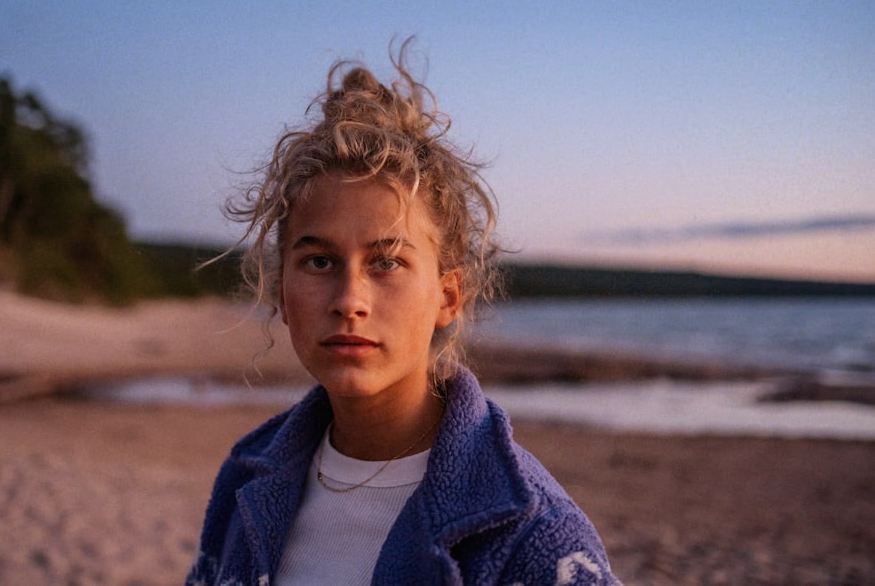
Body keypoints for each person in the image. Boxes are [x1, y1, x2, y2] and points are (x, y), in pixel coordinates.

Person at [185, 42, 620, 586]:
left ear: (448, 297)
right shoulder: (246, 481)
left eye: (386, 262)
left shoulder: (531, 535)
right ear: (281, 294)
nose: (350, 299)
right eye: (319, 261)